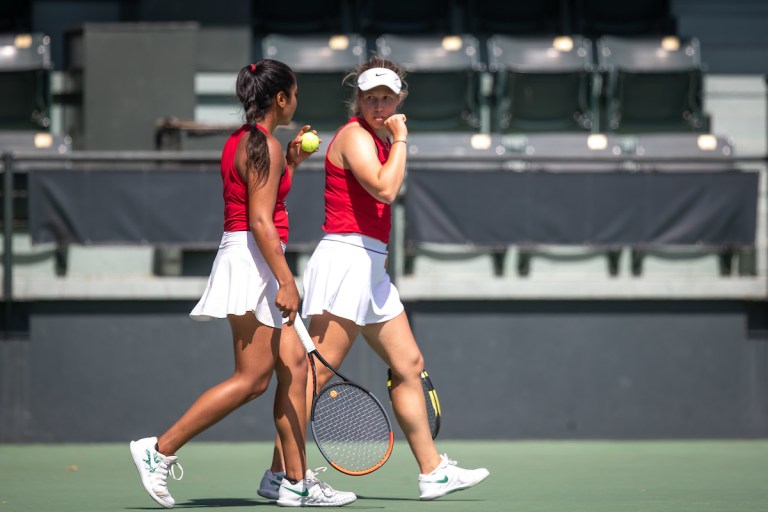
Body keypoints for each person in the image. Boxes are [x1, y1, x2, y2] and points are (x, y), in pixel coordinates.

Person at [257, 55, 489, 501]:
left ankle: (433, 471)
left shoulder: (380, 139)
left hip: (370, 266)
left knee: (409, 366)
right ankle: (284, 477)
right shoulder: (356, 138)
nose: (379, 105)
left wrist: (395, 142)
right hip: (345, 263)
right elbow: (384, 187)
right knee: (313, 376)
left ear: (398, 98)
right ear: (358, 101)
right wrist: (401, 140)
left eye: (387, 97)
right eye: (370, 98)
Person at [129, 59, 356, 509]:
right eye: (294, 94)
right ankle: (158, 450)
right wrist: (286, 281)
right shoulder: (263, 146)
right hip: (254, 261)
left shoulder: (249, 142)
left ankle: (291, 482)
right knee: (252, 380)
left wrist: (290, 162)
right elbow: (259, 221)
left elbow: (258, 199)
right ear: (281, 99)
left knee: (291, 372)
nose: (297, 102)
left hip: (248, 257)